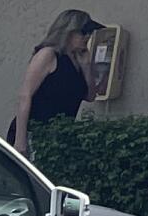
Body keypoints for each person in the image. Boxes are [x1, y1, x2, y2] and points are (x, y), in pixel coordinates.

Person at [9, 8, 102, 150]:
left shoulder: (77, 60)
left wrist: (87, 67)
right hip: (35, 132)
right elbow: (25, 95)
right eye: (83, 32)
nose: (87, 37)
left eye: (89, 33)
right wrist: (20, 140)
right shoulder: (48, 55)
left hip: (60, 135)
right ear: (69, 32)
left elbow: (90, 96)